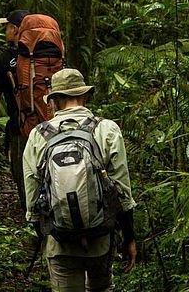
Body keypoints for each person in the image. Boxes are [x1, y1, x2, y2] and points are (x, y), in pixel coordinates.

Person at [22, 68, 137, 291]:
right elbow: (122, 190)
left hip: (60, 242)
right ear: (84, 96)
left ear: (54, 100)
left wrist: (46, 233)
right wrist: (129, 237)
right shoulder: (106, 129)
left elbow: (32, 195)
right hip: (100, 238)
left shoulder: (38, 135)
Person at [0, 9, 30, 211]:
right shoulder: (45, 55)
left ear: (14, 29)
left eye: (7, 27)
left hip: (20, 125)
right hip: (50, 122)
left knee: (22, 171)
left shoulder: (2, 61)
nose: (5, 31)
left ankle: (32, 216)